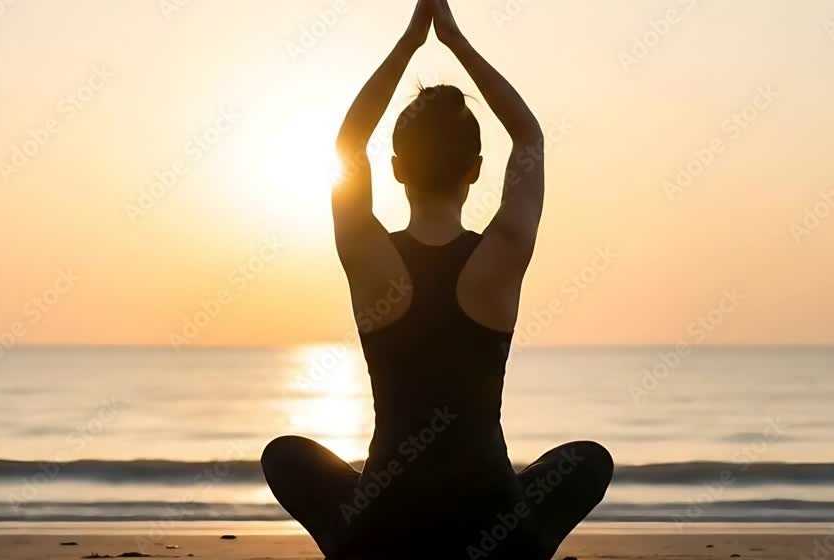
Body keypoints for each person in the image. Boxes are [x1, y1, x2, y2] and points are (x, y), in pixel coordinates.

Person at [261, 1, 613, 557]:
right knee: (590, 461)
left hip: (382, 529)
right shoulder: (504, 250)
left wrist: (410, 40)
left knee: (284, 454)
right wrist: (454, 39)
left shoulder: (366, 252)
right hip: (494, 529)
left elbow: (349, 144)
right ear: (476, 169)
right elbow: (528, 138)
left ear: (397, 169)